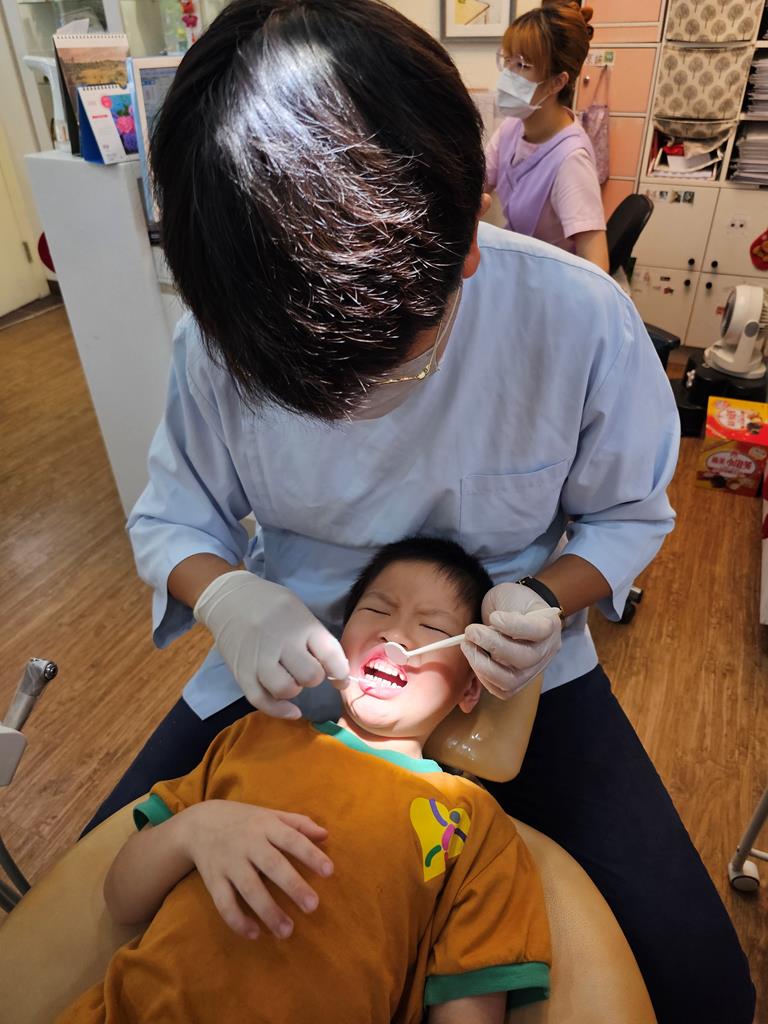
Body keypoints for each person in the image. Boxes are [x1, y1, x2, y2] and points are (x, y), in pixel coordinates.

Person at [82, 1, 755, 1020]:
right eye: (304, 382)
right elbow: (176, 518)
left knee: (700, 983)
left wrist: (544, 598)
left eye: (378, 366)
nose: (346, 407)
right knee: (94, 900)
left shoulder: (574, 319)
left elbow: (628, 515)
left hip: (506, 662)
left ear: (467, 249)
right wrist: (229, 599)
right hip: (290, 660)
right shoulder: (223, 334)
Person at [60, 539, 551, 1023]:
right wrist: (194, 829)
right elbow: (121, 898)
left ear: (471, 688)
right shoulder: (254, 737)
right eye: (376, 610)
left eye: (432, 627)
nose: (395, 633)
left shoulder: (475, 825)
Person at [486, 2, 610, 271]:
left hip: (550, 279)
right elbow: (477, 186)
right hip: (519, 264)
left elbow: (597, 265)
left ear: (557, 82)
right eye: (507, 60)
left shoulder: (570, 160)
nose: (508, 74)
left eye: (521, 65)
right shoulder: (512, 128)